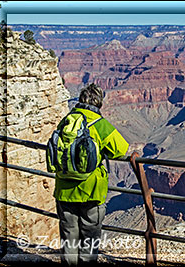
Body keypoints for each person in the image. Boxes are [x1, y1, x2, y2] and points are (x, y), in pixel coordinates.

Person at [53, 83, 129, 266]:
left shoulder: (67, 120)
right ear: (99, 103)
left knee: (69, 237)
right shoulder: (100, 124)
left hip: (64, 189)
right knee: (90, 238)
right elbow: (121, 149)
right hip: (91, 191)